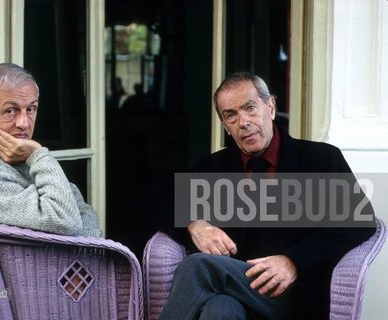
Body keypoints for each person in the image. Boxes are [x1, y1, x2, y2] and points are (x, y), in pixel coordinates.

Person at [159, 72, 376, 320]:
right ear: (225, 126)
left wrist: (294, 261)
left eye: (250, 108)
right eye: (231, 115)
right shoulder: (213, 167)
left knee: (198, 267)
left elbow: (360, 221)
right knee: (219, 309)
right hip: (235, 292)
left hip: (293, 296)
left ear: (270, 107)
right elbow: (160, 202)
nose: (243, 122)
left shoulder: (319, 159)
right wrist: (195, 224)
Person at [0, 63, 101, 237]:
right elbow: (65, 221)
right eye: (11, 111)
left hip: (72, 262)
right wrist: (38, 155)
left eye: (31, 109)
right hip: (45, 264)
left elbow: (79, 205)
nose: (24, 123)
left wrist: (93, 249)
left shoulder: (15, 155)